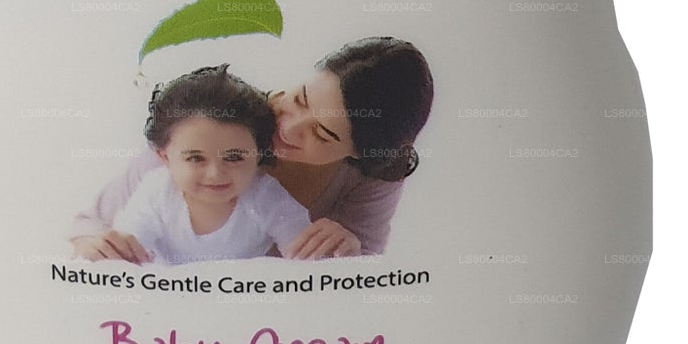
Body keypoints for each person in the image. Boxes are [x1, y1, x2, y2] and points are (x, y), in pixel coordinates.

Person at [69, 37, 434, 262]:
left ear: (357, 154)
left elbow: (362, 269)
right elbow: (92, 228)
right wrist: (92, 246)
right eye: (300, 98)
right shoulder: (219, 122)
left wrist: (350, 249)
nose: (288, 127)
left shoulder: (373, 174)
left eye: (321, 135)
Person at [99, 65, 308, 265]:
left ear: (258, 156)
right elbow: (127, 247)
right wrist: (114, 250)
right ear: (165, 158)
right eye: (195, 158)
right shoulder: (158, 191)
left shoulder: (265, 195)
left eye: (234, 157)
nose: (215, 174)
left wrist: (316, 246)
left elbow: (305, 253)